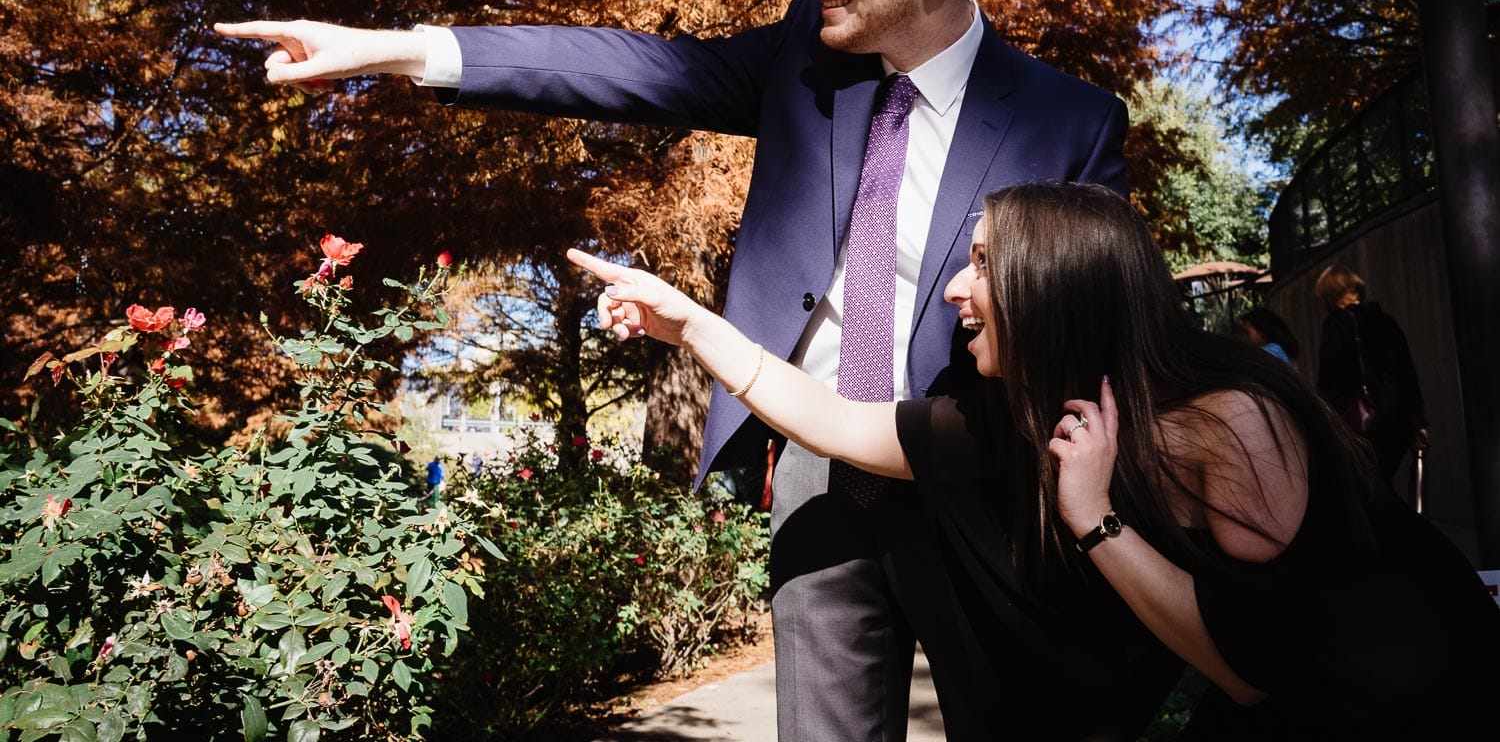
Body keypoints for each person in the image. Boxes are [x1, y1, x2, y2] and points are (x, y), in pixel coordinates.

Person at [217, 0, 1132, 740]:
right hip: (818, 478)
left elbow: (1085, 330)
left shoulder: (1070, 124)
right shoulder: (805, 64)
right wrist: (397, 49)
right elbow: (631, 68)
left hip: (976, 479)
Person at [569, 182, 1500, 741]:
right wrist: (688, 323)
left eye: (982, 264)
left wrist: (1094, 517)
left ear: (1053, 293)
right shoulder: (1024, 416)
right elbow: (831, 420)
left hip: (1403, 701)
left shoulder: (1228, 421)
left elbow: (1252, 666)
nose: (958, 290)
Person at [1313, 264, 1427, 482]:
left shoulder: (1337, 325)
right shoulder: (1385, 321)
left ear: (1329, 296)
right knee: (1381, 482)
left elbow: (1331, 380)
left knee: (1362, 489)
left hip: (1362, 423)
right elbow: (1406, 372)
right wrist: (1418, 421)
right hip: (1398, 421)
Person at [1236, 306, 1300, 370]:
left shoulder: (1272, 352)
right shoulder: (1278, 350)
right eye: (1241, 334)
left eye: (1247, 333)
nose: (1243, 338)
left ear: (1262, 332)